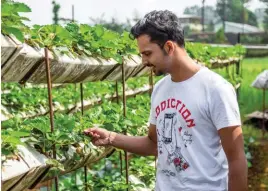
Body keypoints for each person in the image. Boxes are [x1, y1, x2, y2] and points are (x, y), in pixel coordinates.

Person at [84, 10, 247, 191]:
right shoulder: (160, 89)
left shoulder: (216, 89)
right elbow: (155, 144)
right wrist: (111, 138)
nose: (143, 61)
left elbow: (236, 159)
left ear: (169, 47)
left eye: (147, 53)